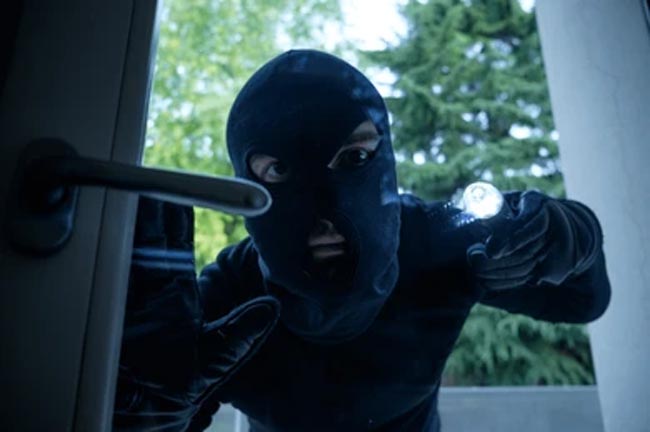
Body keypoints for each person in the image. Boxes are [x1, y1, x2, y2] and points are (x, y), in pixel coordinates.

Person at [113, 50, 611, 431]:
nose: (325, 212)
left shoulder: (437, 245)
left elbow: (581, 301)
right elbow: (163, 406)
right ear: (248, 184)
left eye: (353, 159)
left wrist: (567, 235)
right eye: (280, 170)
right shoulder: (228, 303)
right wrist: (149, 413)